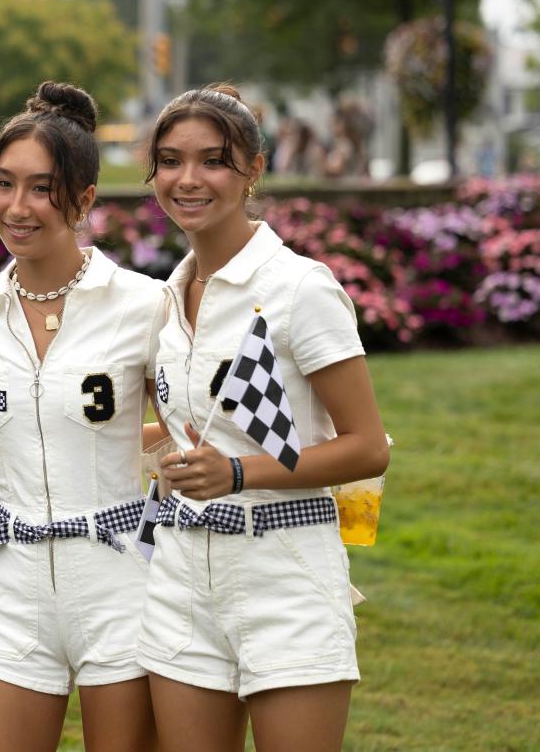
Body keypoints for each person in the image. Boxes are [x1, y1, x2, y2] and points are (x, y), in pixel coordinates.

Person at [136, 84, 391, 752]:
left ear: (255, 168)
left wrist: (238, 474)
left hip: (286, 574)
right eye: (169, 160)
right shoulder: (168, 297)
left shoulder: (300, 288)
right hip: (180, 576)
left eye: (213, 160)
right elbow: (191, 428)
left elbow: (368, 448)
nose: (187, 179)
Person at [0, 82, 166, 752]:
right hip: (11, 582)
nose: (17, 208)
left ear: (83, 202)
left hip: (122, 582)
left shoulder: (143, 305)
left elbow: (199, 427)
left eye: (43, 189)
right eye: (4, 184)